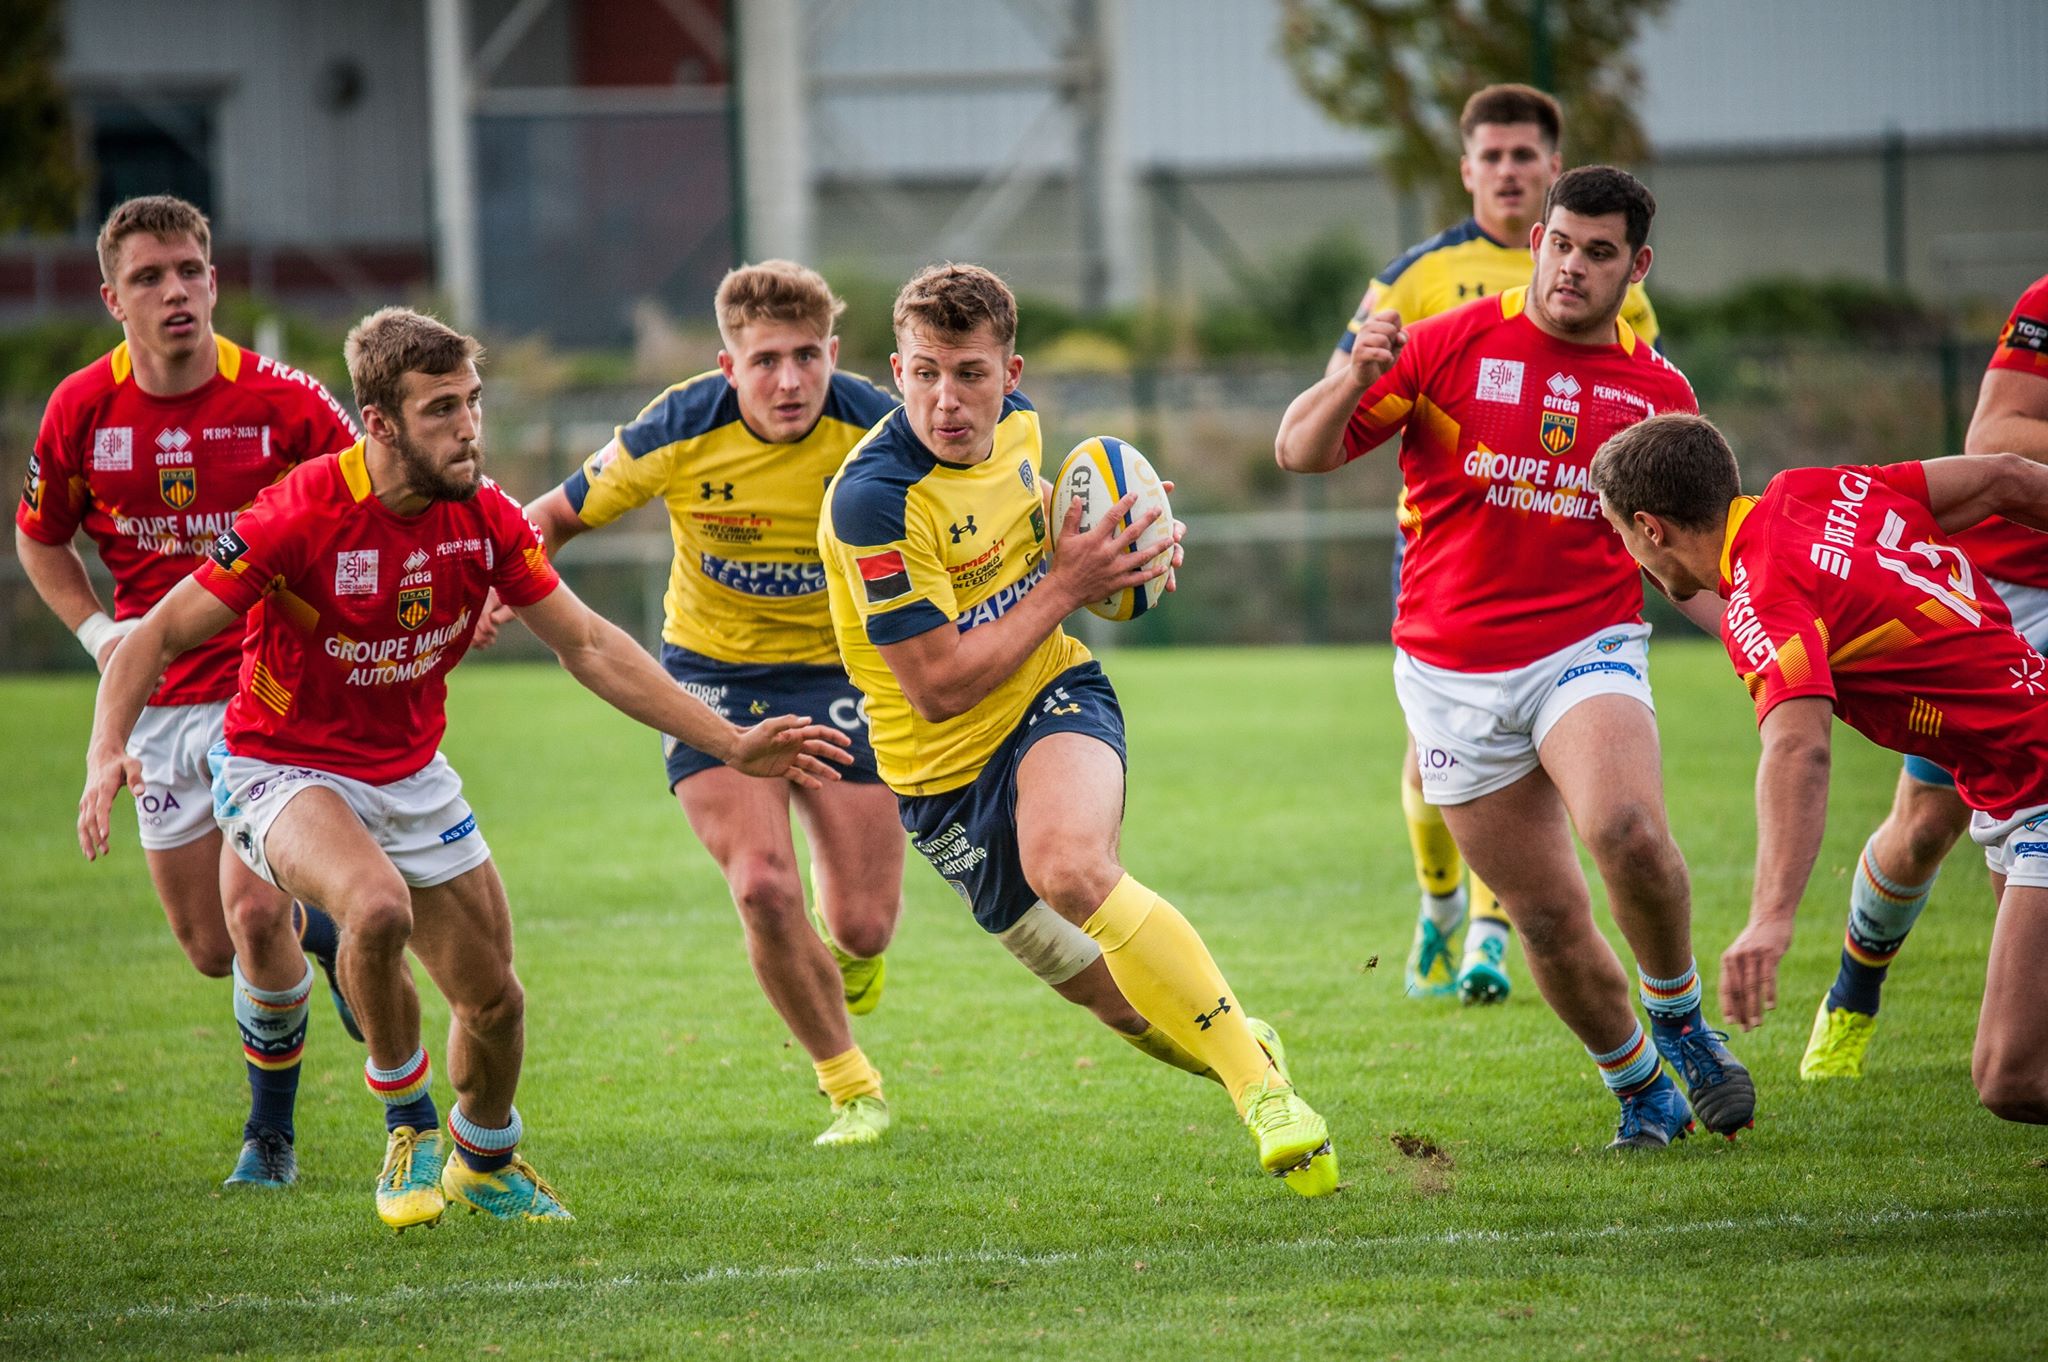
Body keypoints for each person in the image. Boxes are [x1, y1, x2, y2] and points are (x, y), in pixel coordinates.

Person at [78, 307, 852, 1230]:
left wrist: (730, 743)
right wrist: (102, 753)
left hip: (410, 773)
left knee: (495, 1004)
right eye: (441, 409)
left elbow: (593, 644)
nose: (468, 428)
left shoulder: (484, 518)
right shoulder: (299, 514)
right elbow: (155, 634)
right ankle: (406, 1124)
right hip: (278, 764)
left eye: (473, 403)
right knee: (372, 908)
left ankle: (484, 1160)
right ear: (381, 422)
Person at [816, 263, 1338, 1194]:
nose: (947, 400)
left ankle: (1265, 1097)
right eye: (925, 373)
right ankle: (1240, 1048)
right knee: (1131, 1016)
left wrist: (1128, 530)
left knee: (1071, 866)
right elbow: (936, 689)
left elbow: (1050, 528)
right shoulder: (874, 502)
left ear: (1010, 374)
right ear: (895, 370)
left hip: (1052, 698)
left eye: (969, 373)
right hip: (939, 778)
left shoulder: (1025, 434)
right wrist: (1072, 582)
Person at [1276, 167, 1754, 1150]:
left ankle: (1677, 1017)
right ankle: (1638, 1087)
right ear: (1535, 239)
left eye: (1598, 252)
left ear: (1637, 266)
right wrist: (1350, 379)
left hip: (1584, 648)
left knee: (1624, 829)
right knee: (1540, 916)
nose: (1571, 267)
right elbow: (1297, 451)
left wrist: (1769, 654)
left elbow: (1695, 564)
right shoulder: (1447, 342)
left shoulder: (1656, 392)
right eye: (1561, 243)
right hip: (1446, 673)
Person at [486, 261, 905, 1146]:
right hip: (714, 675)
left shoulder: (882, 429)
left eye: (805, 357)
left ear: (833, 353)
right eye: (764, 362)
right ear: (727, 367)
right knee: (761, 886)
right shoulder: (674, 428)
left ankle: (848, 954)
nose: (787, 381)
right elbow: (550, 518)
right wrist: (491, 581)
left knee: (864, 927)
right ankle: (850, 1086)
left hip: (844, 676)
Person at [16, 195, 363, 1188]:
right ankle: (327, 931)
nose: (175, 292)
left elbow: (368, 502)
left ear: (214, 279)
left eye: (190, 272)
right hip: (162, 704)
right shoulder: (83, 408)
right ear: (111, 298)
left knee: (254, 917)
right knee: (215, 949)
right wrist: (99, 636)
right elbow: (39, 537)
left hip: (270, 697)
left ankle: (269, 1138)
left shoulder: (285, 401)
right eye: (150, 278)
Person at [1589, 413, 2048, 1125]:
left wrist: (1771, 918)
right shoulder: (1814, 491)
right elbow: (2004, 478)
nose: (1628, 557)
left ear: (1651, 528)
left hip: (2036, 777)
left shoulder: (1768, 599)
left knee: (2012, 1076)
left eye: (1621, 535)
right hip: (2006, 780)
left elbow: (1797, 748)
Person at [1324, 85, 1662, 1006]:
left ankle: (1487, 932)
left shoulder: (1620, 307)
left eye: (1526, 155)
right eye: (1493, 155)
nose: (1509, 170)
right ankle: (1444, 906)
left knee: (1592, 801)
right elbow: (1337, 399)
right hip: (1446, 554)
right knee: (1428, 764)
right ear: (1467, 168)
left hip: (1570, 558)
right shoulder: (1417, 278)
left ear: (1553, 170)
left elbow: (1641, 417)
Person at [1797, 272, 2048, 1081]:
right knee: (1926, 827)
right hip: (2008, 602)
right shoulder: (2045, 302)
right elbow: (1996, 435)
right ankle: (1852, 994)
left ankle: (2021, 1047)